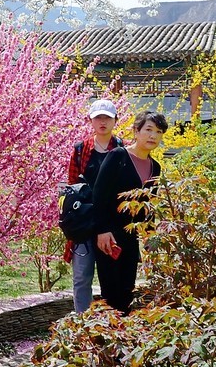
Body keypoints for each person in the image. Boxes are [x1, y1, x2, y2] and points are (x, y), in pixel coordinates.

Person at [92, 110, 168, 314]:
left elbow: (148, 205)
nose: (153, 136)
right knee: (110, 291)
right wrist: (102, 230)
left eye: (158, 132)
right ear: (136, 131)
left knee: (127, 289)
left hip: (132, 237)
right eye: (148, 130)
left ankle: (123, 336)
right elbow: (99, 195)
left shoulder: (156, 167)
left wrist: (151, 237)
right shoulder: (118, 156)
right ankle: (106, 338)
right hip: (109, 235)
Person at [65, 98, 122, 313]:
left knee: (112, 276)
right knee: (82, 277)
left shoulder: (121, 149)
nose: (102, 122)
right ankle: (83, 321)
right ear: (90, 121)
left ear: (115, 120)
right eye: (98, 117)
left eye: (107, 117)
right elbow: (72, 187)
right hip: (85, 223)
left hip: (111, 222)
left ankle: (113, 320)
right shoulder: (80, 150)